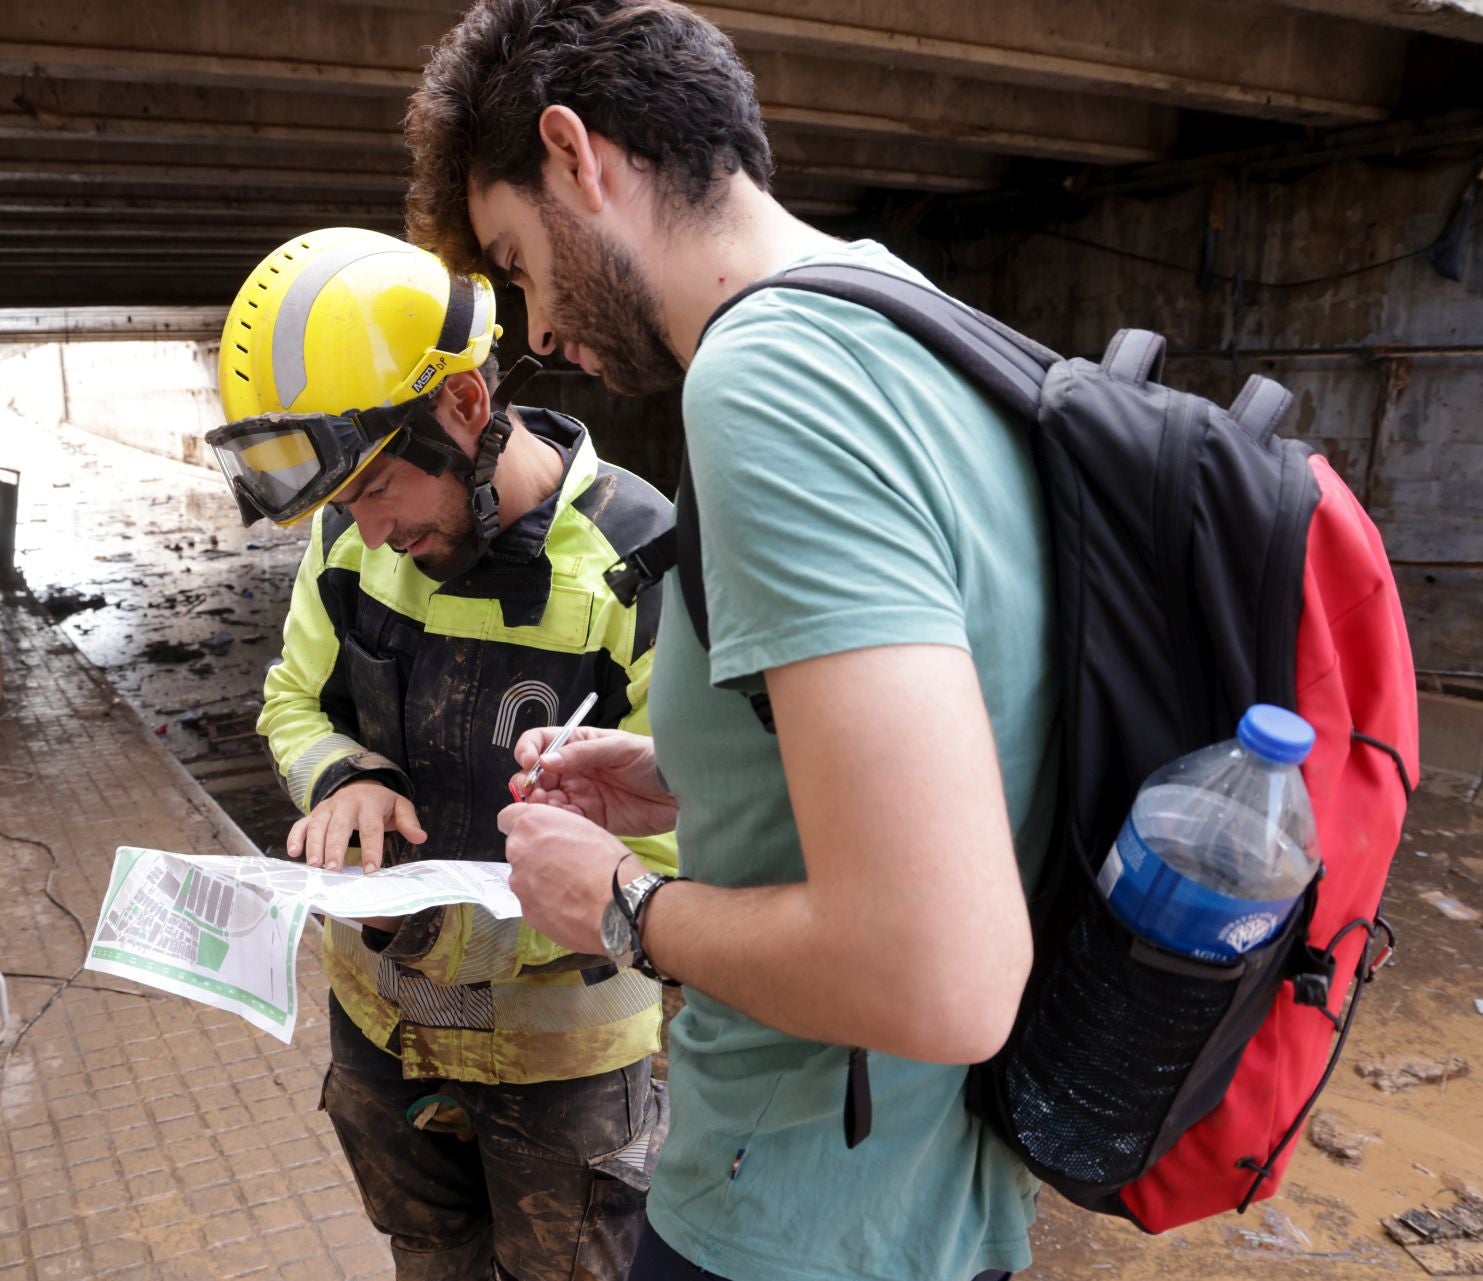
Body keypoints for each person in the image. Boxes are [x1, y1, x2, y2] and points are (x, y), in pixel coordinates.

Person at [404, 4, 1059, 1279]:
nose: (535, 334)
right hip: (932, 1200)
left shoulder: (765, 379)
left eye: (519, 260)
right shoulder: (905, 317)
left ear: (574, 154)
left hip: (794, 1221)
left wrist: (623, 904)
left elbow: (947, 976)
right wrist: (701, 771)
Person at [212, 227, 678, 1281]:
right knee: (427, 1258)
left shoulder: (641, 567)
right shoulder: (346, 542)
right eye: (342, 507)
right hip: (382, 1035)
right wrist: (342, 776)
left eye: (377, 491)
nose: (366, 535)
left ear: (465, 405)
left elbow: (712, 831)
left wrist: (607, 871)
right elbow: (292, 704)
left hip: (567, 1068)